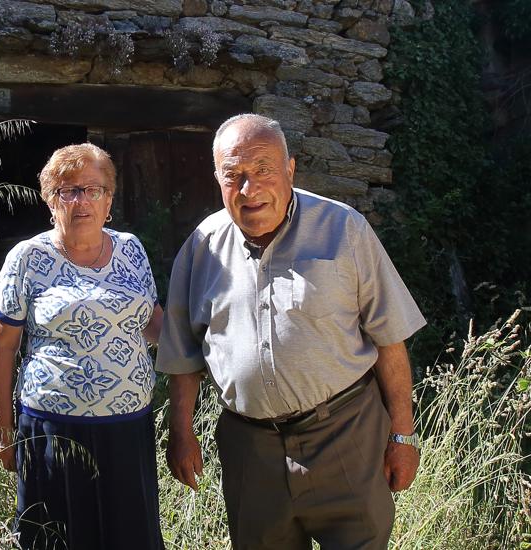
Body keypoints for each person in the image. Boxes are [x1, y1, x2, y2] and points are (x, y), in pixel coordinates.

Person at [157, 114, 426, 549]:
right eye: (234, 176)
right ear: (217, 180)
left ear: (290, 169)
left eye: (263, 170)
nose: (250, 189)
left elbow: (390, 339)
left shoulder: (344, 229)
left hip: (346, 435)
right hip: (250, 450)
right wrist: (181, 431)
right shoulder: (202, 246)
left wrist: (402, 435)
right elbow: (184, 355)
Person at [0, 143, 165, 549]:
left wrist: (206, 345)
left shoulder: (132, 250)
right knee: (59, 538)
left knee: (130, 536)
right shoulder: (27, 258)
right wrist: (2, 427)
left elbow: (152, 320)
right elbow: (2, 345)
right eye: (68, 190)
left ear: (109, 200)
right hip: (54, 431)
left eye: (93, 189)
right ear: (51, 201)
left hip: (128, 427)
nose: (81, 200)